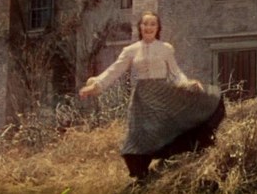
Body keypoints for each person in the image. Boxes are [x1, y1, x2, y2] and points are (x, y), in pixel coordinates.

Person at [79, 11, 225, 181]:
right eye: (145, 24)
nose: (148, 27)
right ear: (140, 27)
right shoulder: (130, 50)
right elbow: (114, 70)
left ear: (158, 28)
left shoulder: (165, 49)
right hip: (143, 98)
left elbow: (175, 73)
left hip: (163, 94)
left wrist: (187, 83)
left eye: (152, 24)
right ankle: (141, 176)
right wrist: (96, 85)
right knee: (138, 135)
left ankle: (173, 161)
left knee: (177, 121)